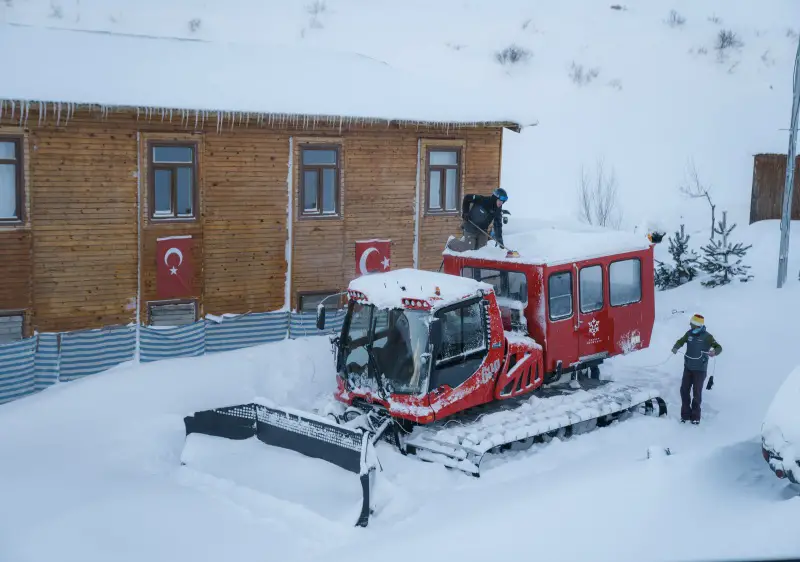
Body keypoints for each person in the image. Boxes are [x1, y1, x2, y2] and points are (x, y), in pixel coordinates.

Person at [671, 314, 722, 424]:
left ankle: (695, 418)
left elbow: (719, 347)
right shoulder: (689, 334)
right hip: (688, 367)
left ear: (698, 325)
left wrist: (714, 352)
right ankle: (685, 416)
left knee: (696, 394)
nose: (690, 326)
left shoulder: (707, 337)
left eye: (692, 324)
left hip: (700, 370)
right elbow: (681, 341)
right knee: (684, 391)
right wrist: (676, 347)